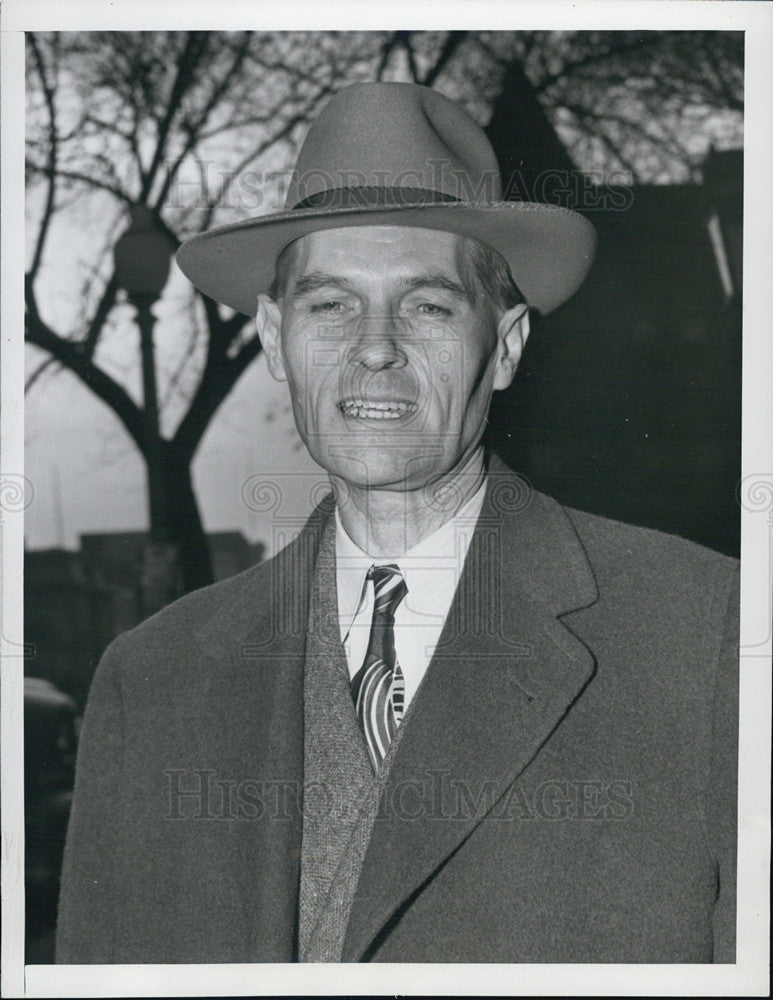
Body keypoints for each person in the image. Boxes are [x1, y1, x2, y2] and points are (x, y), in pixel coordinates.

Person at [56, 82, 738, 964]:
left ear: (507, 347)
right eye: (331, 303)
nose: (374, 346)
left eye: (428, 304)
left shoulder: (709, 636)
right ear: (273, 337)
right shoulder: (149, 682)